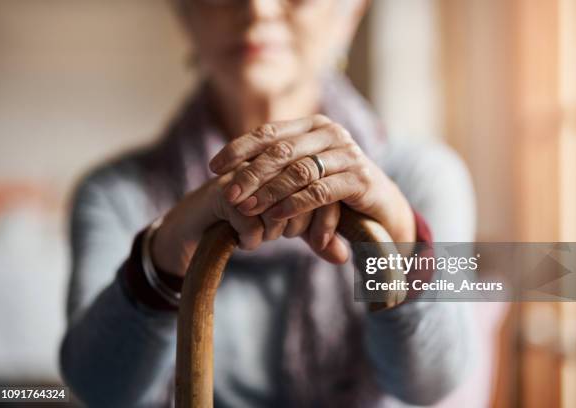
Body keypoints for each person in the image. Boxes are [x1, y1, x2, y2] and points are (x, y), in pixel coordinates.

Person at [60, 0, 481, 406]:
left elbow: (432, 384)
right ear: (185, 13)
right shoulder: (114, 193)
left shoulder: (425, 177)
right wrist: (161, 259)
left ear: (348, 14)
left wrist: (402, 245)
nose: (257, 7)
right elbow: (99, 391)